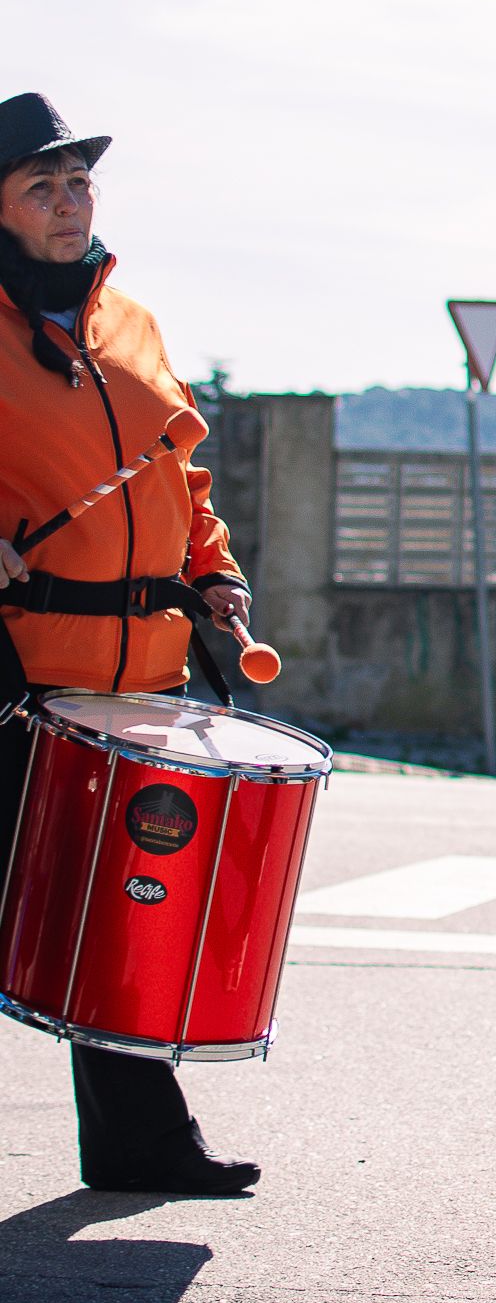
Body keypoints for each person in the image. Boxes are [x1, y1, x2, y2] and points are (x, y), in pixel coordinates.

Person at [0, 92, 262, 1196]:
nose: (68, 204)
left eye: (79, 182)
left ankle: (140, 1146)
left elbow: (179, 470)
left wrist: (217, 573)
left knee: (117, 919)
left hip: (145, 674)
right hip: (26, 675)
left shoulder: (132, 322)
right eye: (40, 188)